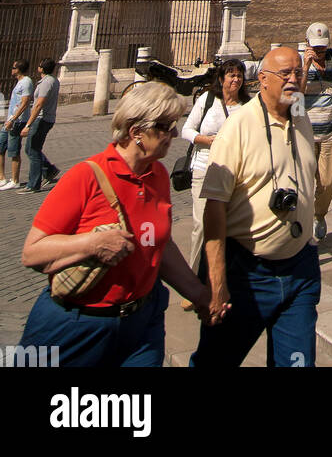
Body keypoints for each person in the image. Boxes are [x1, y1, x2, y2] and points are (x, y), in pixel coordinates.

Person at [17, 80, 215, 366]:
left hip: (142, 325)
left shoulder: (157, 174)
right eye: (165, 126)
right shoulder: (85, 176)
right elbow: (32, 253)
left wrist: (200, 295)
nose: (173, 133)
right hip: (77, 324)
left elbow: (159, 244)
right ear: (136, 132)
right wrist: (92, 243)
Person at [190, 44, 320, 369]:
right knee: (215, 362)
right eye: (285, 74)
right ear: (262, 78)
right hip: (248, 274)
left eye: (298, 73)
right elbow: (213, 209)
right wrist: (217, 283)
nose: (294, 80)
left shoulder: (301, 114)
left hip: (300, 269)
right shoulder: (236, 128)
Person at [180, 59, 249, 282]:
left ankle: (223, 276)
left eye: (239, 75)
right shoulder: (207, 100)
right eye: (231, 75)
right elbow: (186, 130)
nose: (236, 79)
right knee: (201, 225)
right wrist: (207, 140)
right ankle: (194, 279)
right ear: (222, 78)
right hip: (204, 169)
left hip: (233, 172)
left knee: (232, 225)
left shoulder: (247, 105)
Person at [301, 21, 332, 241]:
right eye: (316, 47)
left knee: (328, 182)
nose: (320, 51)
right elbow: (295, 99)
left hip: (331, 132)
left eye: (323, 47)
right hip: (305, 134)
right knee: (303, 182)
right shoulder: (300, 63)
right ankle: (302, 219)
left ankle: (319, 214)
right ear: (307, 43)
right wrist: (304, 67)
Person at [21, 57, 60, 193]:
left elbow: (38, 104)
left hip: (41, 119)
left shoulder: (46, 82)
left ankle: (33, 184)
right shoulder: (53, 80)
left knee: (32, 150)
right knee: (33, 148)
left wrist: (28, 124)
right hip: (46, 119)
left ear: (41, 68)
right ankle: (49, 170)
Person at [0, 59, 33, 190]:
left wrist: (13, 119)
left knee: (14, 151)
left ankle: (15, 180)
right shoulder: (20, 82)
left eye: (13, 67)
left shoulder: (26, 82)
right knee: (1, 146)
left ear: (18, 69)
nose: (12, 69)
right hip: (10, 120)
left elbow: (25, 103)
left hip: (17, 121)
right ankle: (2, 178)